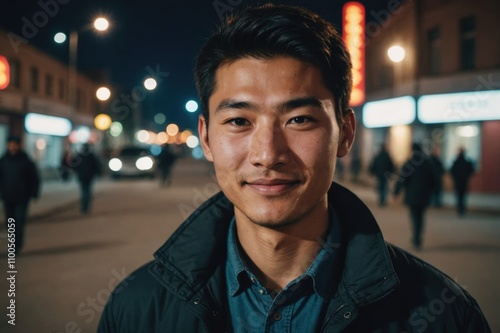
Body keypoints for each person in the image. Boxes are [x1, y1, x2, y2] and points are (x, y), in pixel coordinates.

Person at [98, 5, 490, 332]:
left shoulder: (441, 313)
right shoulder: (138, 309)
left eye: (299, 119)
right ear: (205, 138)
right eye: (238, 122)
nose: (268, 155)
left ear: (345, 134)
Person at [0, 135, 40, 254]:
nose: (12, 147)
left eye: (14, 145)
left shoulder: (26, 161)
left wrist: (34, 193)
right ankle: (13, 243)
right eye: (10, 145)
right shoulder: (3, 160)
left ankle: (17, 245)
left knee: (20, 221)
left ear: (18, 146)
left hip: (22, 197)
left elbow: (34, 178)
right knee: (10, 222)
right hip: (8, 197)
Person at [393, 143, 436, 250]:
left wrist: (396, 192)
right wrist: (433, 192)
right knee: (421, 216)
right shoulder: (427, 163)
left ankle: (416, 237)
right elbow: (434, 179)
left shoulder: (409, 163)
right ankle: (418, 237)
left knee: (414, 216)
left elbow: (402, 178)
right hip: (424, 195)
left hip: (412, 195)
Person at [72, 143, 101, 214]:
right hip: (88, 176)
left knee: (84, 191)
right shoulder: (91, 156)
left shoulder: (79, 156)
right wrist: (98, 173)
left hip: (82, 176)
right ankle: (86, 207)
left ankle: (84, 207)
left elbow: (74, 166)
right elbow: (96, 166)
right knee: (87, 191)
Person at [450, 147, 475, 216]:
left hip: (458, 182)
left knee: (459, 196)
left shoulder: (456, 162)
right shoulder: (466, 162)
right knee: (463, 196)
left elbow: (452, 171)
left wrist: (455, 178)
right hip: (464, 182)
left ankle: (460, 209)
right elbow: (471, 170)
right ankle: (462, 209)